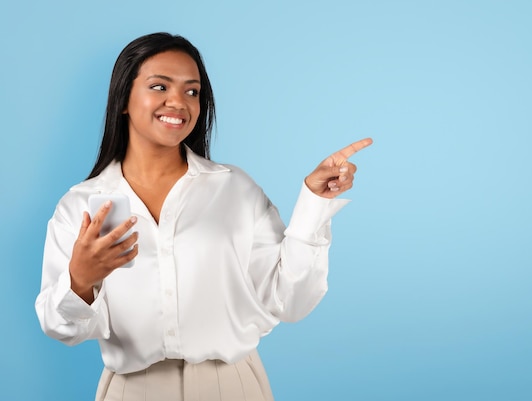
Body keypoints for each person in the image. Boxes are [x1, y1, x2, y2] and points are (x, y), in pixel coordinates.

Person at [35, 32, 372, 401]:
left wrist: (314, 204)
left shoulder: (234, 189)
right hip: (132, 388)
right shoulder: (80, 205)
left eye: (192, 91)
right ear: (123, 100)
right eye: (159, 86)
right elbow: (61, 328)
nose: (178, 102)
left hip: (233, 386)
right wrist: (80, 281)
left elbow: (290, 300)